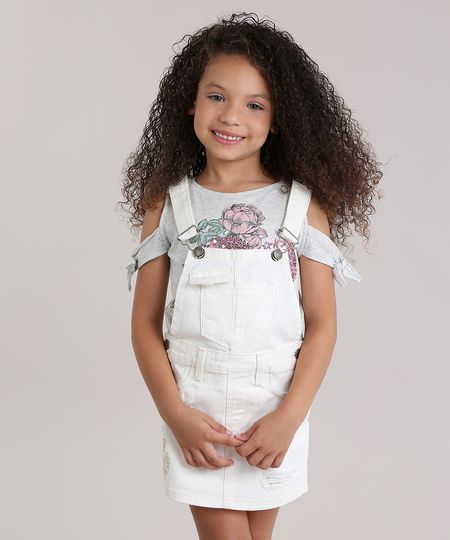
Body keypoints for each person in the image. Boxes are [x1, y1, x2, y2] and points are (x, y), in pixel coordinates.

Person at [118, 12, 382, 540]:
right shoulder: (166, 205)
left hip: (275, 413)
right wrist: (175, 414)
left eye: (254, 105)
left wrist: (289, 418)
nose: (231, 116)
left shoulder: (302, 209)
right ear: (190, 101)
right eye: (217, 96)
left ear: (279, 119)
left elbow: (322, 324)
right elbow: (145, 325)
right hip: (198, 415)